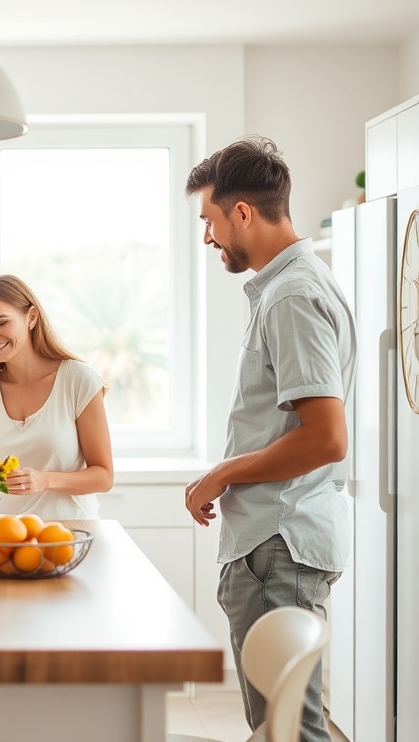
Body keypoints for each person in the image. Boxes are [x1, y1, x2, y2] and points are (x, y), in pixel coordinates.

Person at [184, 137, 356, 742]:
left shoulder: (290, 296)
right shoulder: (293, 286)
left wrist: (221, 474)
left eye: (209, 220)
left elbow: (326, 438)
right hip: (275, 542)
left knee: (288, 729)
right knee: (279, 726)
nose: (207, 238)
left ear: (242, 213)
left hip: (276, 544)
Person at [0, 275, 113, 520]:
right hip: (3, 538)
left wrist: (45, 480)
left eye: (1, 322)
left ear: (31, 317)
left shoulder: (77, 380)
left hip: (71, 535)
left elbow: (103, 476)